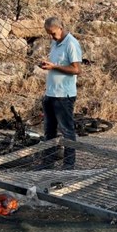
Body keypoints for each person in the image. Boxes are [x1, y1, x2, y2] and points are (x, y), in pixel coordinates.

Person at [39, 17, 82, 169]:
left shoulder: (71, 43)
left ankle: (69, 166)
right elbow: (56, 65)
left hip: (64, 96)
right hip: (51, 93)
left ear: (60, 27)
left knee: (67, 132)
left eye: (53, 33)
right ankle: (48, 164)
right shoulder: (55, 43)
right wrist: (48, 65)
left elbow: (76, 69)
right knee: (49, 132)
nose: (51, 37)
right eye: (49, 34)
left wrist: (54, 67)